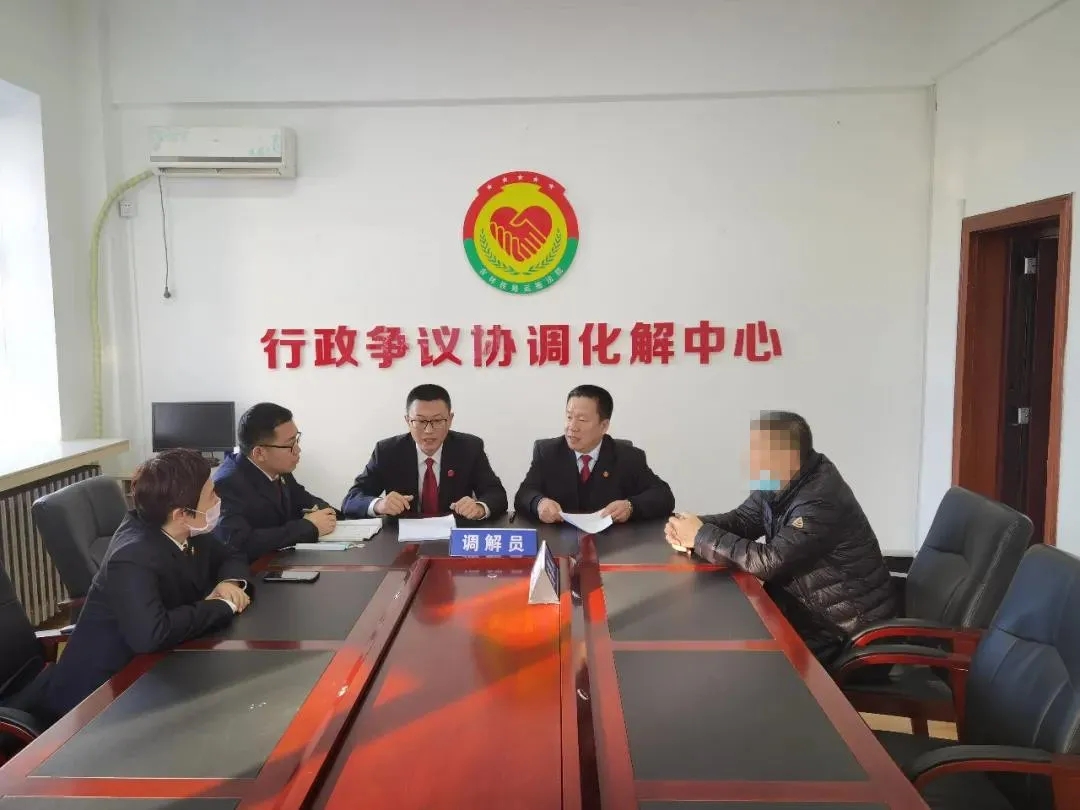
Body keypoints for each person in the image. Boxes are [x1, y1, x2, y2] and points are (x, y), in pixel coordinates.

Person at [29, 449, 251, 723]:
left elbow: (231, 554)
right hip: (102, 698)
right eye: (212, 496)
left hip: (158, 668)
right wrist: (222, 605)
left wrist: (228, 582)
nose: (218, 500)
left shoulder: (182, 528)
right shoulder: (132, 555)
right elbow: (151, 634)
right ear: (181, 513)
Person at [666, 411, 897, 666]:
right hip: (807, 617)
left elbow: (771, 561)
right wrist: (691, 525)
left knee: (741, 665)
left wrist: (700, 535)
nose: (747, 457)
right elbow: (742, 520)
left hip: (846, 637)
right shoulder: (781, 480)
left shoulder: (820, 498)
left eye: (758, 450)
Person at [342, 384, 507, 520]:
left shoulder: (469, 448)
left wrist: (479, 508)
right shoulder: (387, 451)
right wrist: (379, 505)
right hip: (400, 539)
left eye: (437, 420)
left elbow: (496, 494)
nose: (428, 430)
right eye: (420, 421)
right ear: (408, 421)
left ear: (450, 420)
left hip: (454, 536)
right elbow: (352, 499)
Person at [514, 384, 675, 523]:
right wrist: (539, 503)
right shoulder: (547, 452)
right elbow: (524, 494)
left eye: (582, 420)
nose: (572, 426)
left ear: (603, 426)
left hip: (613, 543)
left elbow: (663, 496)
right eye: (569, 417)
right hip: (559, 540)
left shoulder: (628, 457)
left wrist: (630, 506)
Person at [213, 403, 341, 561]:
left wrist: (327, 512)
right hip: (254, 570)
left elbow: (304, 499)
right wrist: (309, 527)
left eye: (297, 440)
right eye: (290, 444)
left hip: (285, 561)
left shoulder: (278, 468)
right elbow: (240, 543)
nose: (297, 450)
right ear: (259, 453)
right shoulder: (227, 484)